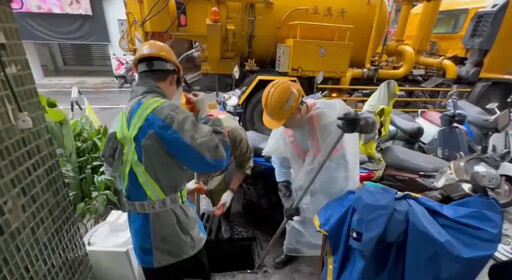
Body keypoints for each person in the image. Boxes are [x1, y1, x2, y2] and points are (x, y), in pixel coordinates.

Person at [101, 40, 230, 280]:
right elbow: (216, 157)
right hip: (175, 241)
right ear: (173, 79)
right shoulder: (166, 113)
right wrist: (206, 113)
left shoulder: (123, 117)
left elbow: (121, 168)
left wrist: (171, 187)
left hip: (143, 239)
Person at [261, 80, 360, 269]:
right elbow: (280, 162)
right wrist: (286, 194)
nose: (281, 126)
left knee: (334, 223)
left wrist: (363, 123)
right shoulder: (285, 129)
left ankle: (334, 260)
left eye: (284, 120)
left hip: (336, 184)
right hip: (304, 184)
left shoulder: (331, 114)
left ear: (297, 110)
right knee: (297, 221)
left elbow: (368, 123)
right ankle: (291, 251)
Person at [195, 110, 253, 216]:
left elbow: (244, 165)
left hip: (230, 141)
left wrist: (230, 192)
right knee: (200, 183)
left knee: (220, 184)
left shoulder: (238, 136)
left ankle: (223, 215)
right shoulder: (191, 137)